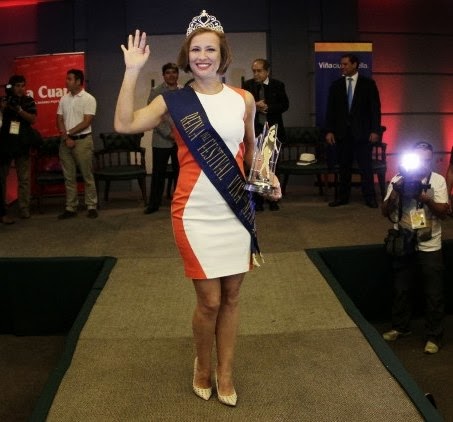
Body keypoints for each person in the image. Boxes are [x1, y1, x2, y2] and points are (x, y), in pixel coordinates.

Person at [114, 10, 281, 406]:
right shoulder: (173, 102)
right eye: (195, 49)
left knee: (233, 297)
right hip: (193, 213)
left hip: (235, 210)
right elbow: (124, 124)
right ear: (187, 55)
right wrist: (132, 71)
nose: (202, 56)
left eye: (210, 49)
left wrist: (267, 177)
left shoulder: (243, 99)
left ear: (223, 56)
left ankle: (225, 371)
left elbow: (252, 152)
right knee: (209, 300)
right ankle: (202, 365)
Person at [381, 142, 449, 354]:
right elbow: (385, 211)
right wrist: (396, 193)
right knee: (401, 288)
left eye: (426, 159)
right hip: (404, 240)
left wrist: (425, 199)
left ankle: (434, 337)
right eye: (417, 158)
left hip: (430, 243)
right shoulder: (398, 178)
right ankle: (400, 327)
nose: (422, 163)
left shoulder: (437, 180)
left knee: (433, 293)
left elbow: (443, 213)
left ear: (430, 160)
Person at [325, 53, 381, 208]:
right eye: (341, 64)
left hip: (363, 133)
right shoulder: (336, 85)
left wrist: (375, 130)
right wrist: (329, 131)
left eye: (345, 64)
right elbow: (331, 111)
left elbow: (375, 109)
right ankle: (342, 197)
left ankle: (369, 197)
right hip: (342, 134)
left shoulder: (368, 84)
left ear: (355, 65)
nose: (342, 67)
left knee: (365, 167)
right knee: (344, 167)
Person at [243, 58, 289, 211]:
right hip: (254, 132)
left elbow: (285, 105)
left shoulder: (278, 85)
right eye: (254, 71)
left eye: (259, 71)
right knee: (256, 167)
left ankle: (273, 199)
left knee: (271, 165)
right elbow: (242, 105)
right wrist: (255, 105)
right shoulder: (248, 85)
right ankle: (258, 201)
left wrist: (268, 107)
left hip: (272, 133)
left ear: (267, 71)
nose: (256, 74)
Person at [56, 69, 98, 219]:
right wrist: (65, 136)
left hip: (83, 141)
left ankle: (91, 206)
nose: (66, 81)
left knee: (87, 175)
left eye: (69, 79)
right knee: (69, 177)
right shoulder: (63, 99)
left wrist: (68, 134)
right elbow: (59, 119)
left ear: (79, 81)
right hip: (65, 142)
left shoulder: (89, 98)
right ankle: (71, 207)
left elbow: (87, 121)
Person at [144, 62, 180, 214]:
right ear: (163, 75)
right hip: (161, 139)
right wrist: (168, 133)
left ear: (177, 74)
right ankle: (154, 204)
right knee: (158, 173)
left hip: (180, 140)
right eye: (168, 73)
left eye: (174, 72)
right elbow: (153, 116)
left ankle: (179, 204)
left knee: (180, 173)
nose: (171, 75)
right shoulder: (156, 92)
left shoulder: (183, 91)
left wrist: (179, 134)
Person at [0, 74, 37, 221]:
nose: (20, 89)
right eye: (17, 86)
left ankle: (24, 208)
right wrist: (4, 108)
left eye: (23, 85)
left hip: (22, 142)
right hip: (6, 143)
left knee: (24, 178)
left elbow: (33, 119)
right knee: (1, 178)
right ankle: (2, 209)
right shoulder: (4, 100)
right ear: (12, 87)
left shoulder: (28, 101)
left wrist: (19, 110)